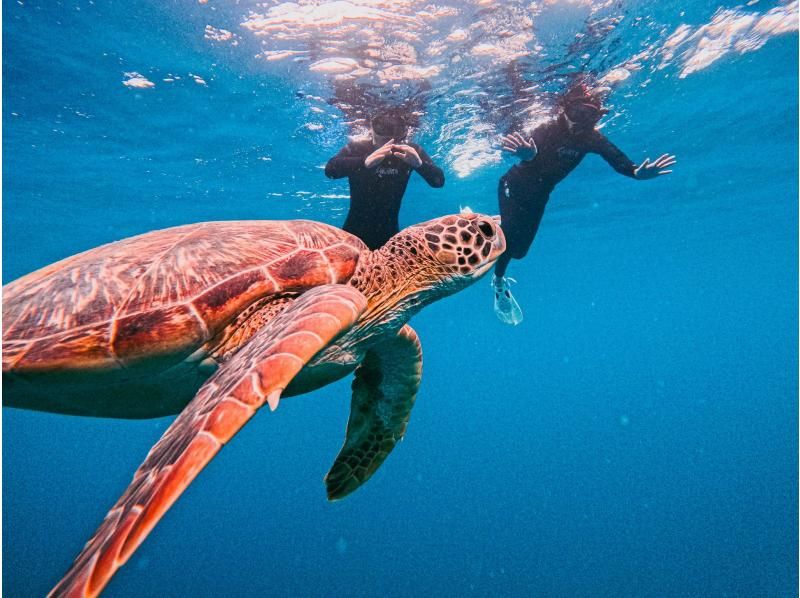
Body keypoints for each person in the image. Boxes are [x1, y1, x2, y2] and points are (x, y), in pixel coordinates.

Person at [492, 84, 676, 325]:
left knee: (520, 252)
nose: (582, 122)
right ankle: (498, 283)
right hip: (513, 187)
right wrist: (527, 157)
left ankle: (495, 225)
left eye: (590, 116)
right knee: (509, 243)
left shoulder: (591, 138)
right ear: (566, 110)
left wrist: (635, 172)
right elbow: (523, 149)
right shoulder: (546, 127)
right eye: (579, 113)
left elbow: (617, 159)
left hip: (540, 195)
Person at [325, 113, 445, 250]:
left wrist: (419, 164)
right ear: (371, 129)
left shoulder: (411, 151)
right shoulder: (358, 148)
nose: (388, 141)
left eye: (394, 134)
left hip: (388, 236)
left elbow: (438, 181)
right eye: (382, 131)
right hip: (353, 234)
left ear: (403, 134)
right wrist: (363, 162)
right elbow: (330, 171)